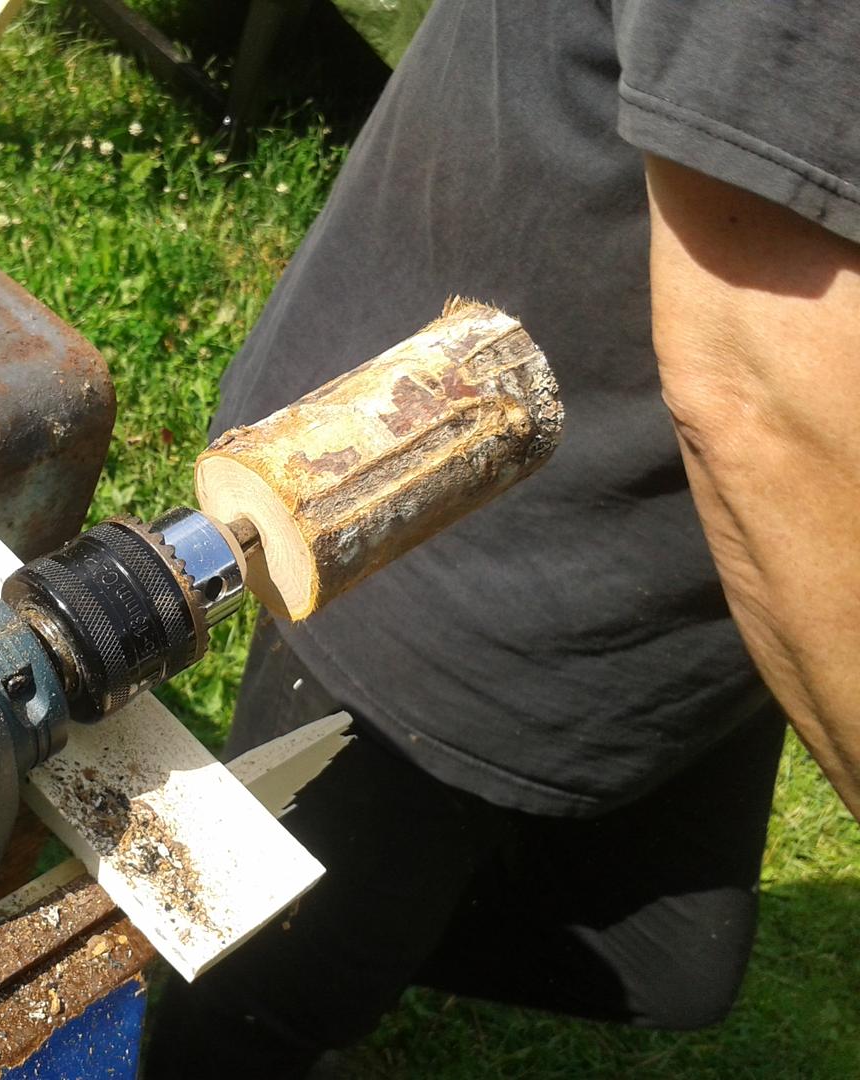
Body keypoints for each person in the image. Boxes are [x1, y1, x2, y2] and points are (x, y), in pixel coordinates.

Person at [145, 1, 860, 1075]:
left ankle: (342, 916)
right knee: (266, 990)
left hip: (677, 568)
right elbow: (763, 392)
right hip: (441, 543)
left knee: (674, 965)